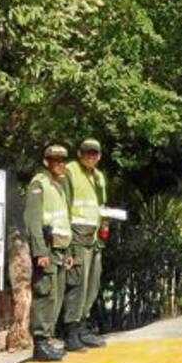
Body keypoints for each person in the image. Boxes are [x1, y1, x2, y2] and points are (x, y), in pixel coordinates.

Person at [26, 144, 73, 361]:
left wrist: (68, 251)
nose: (60, 164)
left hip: (60, 248)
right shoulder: (39, 184)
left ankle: (48, 337)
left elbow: (64, 222)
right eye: (55, 160)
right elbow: (33, 220)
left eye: (63, 160)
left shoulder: (59, 185)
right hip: (47, 247)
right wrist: (40, 251)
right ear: (46, 162)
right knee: (45, 294)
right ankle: (40, 341)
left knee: (56, 296)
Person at [61, 139, 109, 351]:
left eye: (94, 153)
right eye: (87, 152)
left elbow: (101, 205)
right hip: (77, 234)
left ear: (99, 156)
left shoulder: (98, 177)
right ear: (80, 153)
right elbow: (64, 204)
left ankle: (82, 328)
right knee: (77, 284)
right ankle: (71, 332)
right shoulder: (71, 171)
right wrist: (68, 243)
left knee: (92, 284)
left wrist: (105, 223)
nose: (91, 156)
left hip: (95, 236)